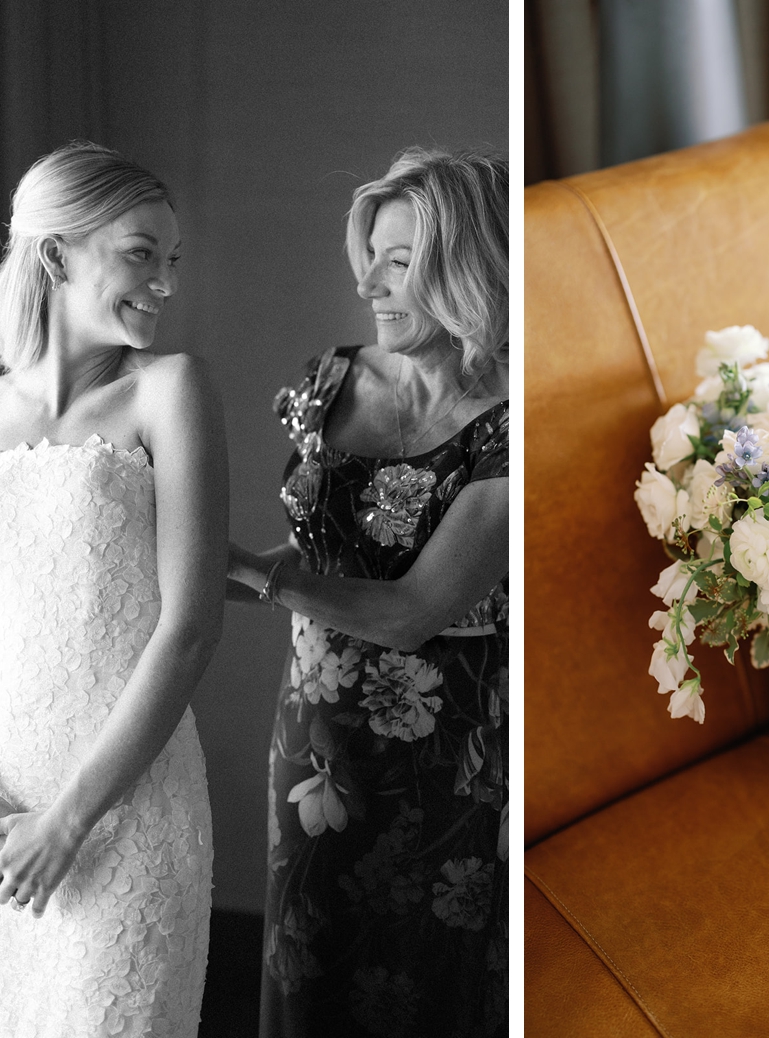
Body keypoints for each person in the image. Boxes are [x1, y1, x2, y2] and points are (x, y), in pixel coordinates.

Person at [0, 141, 228, 1036]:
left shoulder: (170, 392)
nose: (164, 283)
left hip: (127, 809)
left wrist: (70, 822)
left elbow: (192, 628)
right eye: (141, 254)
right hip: (1, 813)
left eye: (171, 261)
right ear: (56, 254)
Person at [228, 147, 509, 1037]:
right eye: (371, 259)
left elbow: (412, 607)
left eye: (400, 263)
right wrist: (188, 573)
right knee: (308, 960)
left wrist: (243, 570)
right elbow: (322, 556)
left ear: (466, 270)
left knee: (426, 978)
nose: (371, 287)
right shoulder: (331, 380)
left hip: (448, 752)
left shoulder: (511, 424)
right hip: (314, 733)